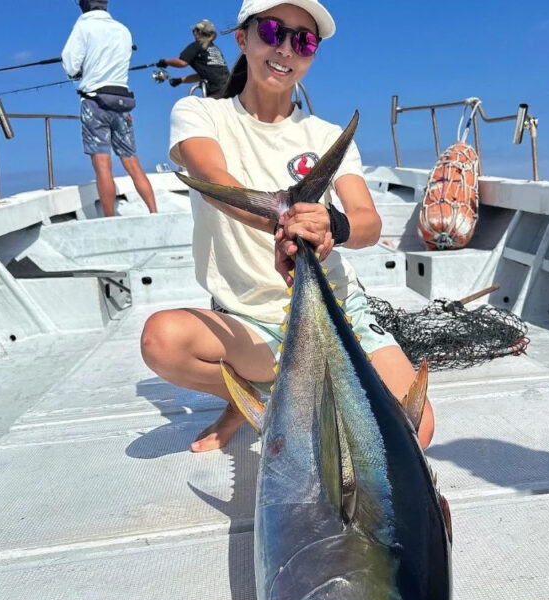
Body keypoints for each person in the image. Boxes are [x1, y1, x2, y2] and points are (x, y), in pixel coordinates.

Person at [140, 0, 435, 453]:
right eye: (274, 31)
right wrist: (287, 223)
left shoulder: (325, 134)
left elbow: (368, 222)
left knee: (413, 433)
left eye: (304, 40)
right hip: (250, 322)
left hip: (339, 311)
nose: (287, 49)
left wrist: (332, 225)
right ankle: (245, 398)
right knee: (161, 340)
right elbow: (214, 181)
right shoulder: (201, 114)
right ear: (242, 37)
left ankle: (307, 392)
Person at [61, 0, 158, 217]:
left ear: (84, 5)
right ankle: (154, 211)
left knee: (102, 165)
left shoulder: (83, 26)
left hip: (95, 101)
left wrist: (83, 70)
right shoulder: (123, 30)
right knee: (132, 161)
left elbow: (70, 66)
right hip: (122, 101)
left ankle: (109, 218)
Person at [156, 19, 230, 98]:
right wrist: (181, 80)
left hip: (217, 93)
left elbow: (182, 63)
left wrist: (165, 61)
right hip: (230, 89)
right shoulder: (215, 49)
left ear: (199, 32)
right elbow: (205, 74)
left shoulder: (197, 46)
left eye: (194, 31)